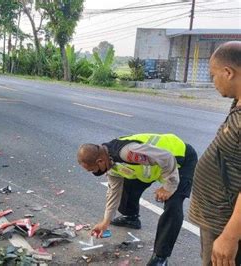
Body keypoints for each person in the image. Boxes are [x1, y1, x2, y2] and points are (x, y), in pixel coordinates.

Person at [77, 133, 198, 266]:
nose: (93, 172)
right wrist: (106, 221)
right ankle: (131, 217)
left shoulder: (127, 153)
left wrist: (169, 187)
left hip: (180, 160)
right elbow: (113, 192)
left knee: (173, 204)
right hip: (153, 167)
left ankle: (160, 257)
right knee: (127, 187)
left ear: (100, 161)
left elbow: (166, 158)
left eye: (92, 169)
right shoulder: (110, 163)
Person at [188, 41, 241, 266]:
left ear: (228, 73)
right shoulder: (238, 103)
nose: (213, 82)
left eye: (213, 75)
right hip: (216, 218)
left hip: (225, 224)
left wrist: (230, 236)